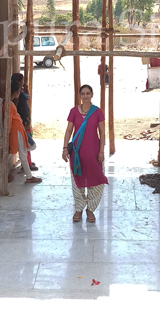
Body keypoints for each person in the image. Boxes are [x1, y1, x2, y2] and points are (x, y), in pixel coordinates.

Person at [62, 84, 108, 223]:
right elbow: (69, 130)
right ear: (80, 95)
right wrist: (65, 148)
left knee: (96, 181)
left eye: (88, 93)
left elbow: (102, 133)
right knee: (77, 181)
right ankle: (79, 208)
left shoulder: (97, 111)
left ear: (92, 95)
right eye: (83, 93)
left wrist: (101, 151)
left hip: (94, 152)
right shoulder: (74, 111)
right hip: (77, 153)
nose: (86, 96)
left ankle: (90, 209)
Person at [9, 81, 41, 184]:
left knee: (26, 149)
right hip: (16, 130)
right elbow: (9, 121)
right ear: (16, 91)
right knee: (23, 153)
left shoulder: (10, 103)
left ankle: (28, 174)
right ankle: (29, 176)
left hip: (18, 129)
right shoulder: (9, 104)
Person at [11, 73, 38, 171]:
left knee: (27, 142)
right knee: (26, 143)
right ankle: (27, 164)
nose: (24, 82)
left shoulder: (21, 91)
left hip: (25, 120)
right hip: (21, 121)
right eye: (22, 80)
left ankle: (28, 161)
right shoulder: (17, 93)